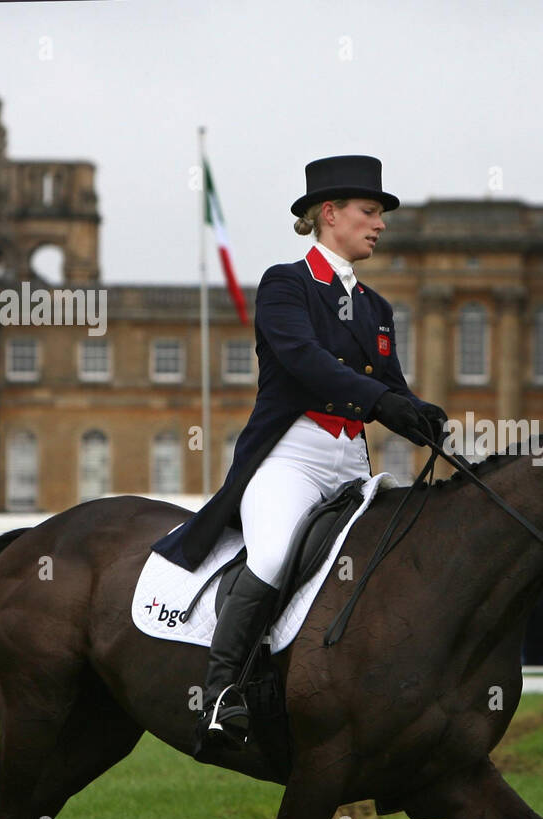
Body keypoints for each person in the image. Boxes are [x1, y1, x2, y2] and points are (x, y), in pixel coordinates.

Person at [150, 155, 447, 760]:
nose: (380, 225)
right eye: (370, 212)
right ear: (329, 214)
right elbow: (307, 362)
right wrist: (385, 402)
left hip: (350, 462)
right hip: (292, 454)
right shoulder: (285, 284)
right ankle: (221, 693)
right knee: (275, 551)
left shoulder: (377, 309)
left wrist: (423, 416)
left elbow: (389, 384)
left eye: (382, 215)